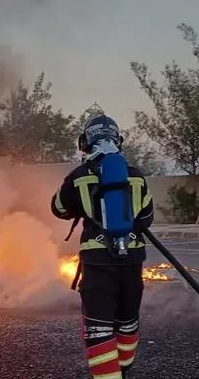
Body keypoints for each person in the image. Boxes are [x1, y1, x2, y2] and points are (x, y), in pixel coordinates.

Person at [51, 114, 154, 379]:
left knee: (98, 329)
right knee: (127, 323)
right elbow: (147, 218)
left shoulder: (79, 177)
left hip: (98, 262)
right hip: (131, 261)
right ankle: (124, 371)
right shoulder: (136, 177)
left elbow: (58, 208)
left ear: (85, 143)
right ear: (118, 142)